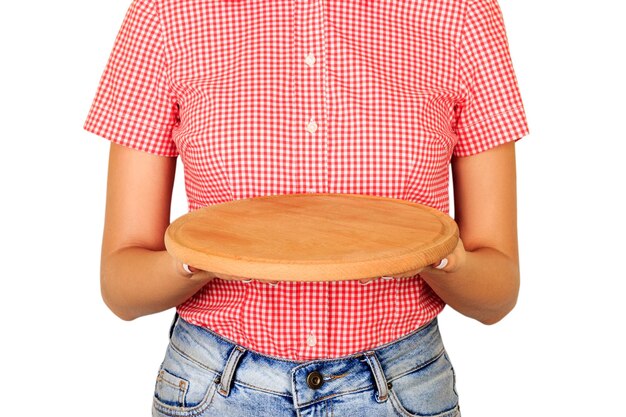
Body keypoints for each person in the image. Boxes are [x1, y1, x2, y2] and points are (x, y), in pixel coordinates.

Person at [83, 0, 529, 415]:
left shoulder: (461, 13)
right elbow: (122, 287)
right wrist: (202, 257)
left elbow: (497, 293)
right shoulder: (166, 14)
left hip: (400, 389)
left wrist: (433, 256)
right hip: (214, 388)